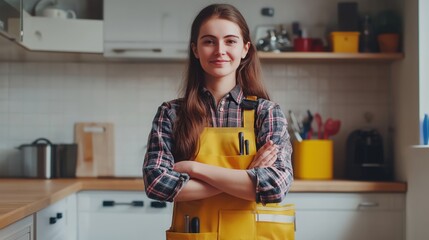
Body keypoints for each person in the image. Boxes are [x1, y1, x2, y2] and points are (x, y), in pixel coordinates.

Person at [143, 3, 294, 239]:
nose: (220, 50)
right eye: (209, 41)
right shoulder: (171, 113)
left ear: (245, 49)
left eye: (230, 41)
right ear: (195, 49)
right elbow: (156, 183)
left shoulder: (267, 113)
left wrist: (194, 169)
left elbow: (275, 186)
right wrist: (247, 176)